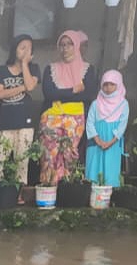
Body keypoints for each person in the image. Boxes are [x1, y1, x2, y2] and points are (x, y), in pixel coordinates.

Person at [40, 29, 97, 185]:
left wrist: (61, 94)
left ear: (77, 46)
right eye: (62, 45)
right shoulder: (50, 69)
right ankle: (48, 189)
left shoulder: (87, 69)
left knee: (69, 154)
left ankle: (65, 189)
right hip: (52, 116)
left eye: (69, 44)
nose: (65, 49)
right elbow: (49, 93)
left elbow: (87, 94)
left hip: (75, 117)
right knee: (49, 154)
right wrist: (73, 90)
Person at [0, 35, 40, 188]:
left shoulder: (34, 68)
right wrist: (22, 88)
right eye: (22, 47)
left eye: (29, 48)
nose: (26, 51)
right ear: (14, 50)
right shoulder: (1, 71)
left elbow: (31, 86)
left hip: (25, 120)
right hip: (5, 120)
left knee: (22, 159)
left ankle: (19, 192)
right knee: (0, 157)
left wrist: (25, 64)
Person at [86, 70, 128, 188]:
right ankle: (93, 200)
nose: (108, 88)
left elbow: (122, 126)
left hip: (113, 143)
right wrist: (99, 141)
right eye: (105, 84)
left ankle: (110, 201)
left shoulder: (123, 104)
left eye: (112, 84)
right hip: (96, 142)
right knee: (94, 170)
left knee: (110, 171)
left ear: (118, 85)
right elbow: (89, 123)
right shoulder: (95, 104)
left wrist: (110, 142)